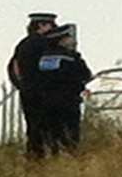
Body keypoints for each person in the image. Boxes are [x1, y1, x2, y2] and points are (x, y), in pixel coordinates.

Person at [23, 24, 93, 157]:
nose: (72, 41)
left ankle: (54, 156)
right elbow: (85, 75)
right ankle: (69, 156)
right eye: (68, 38)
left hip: (47, 101)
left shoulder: (43, 58)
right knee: (70, 132)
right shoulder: (71, 57)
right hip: (68, 100)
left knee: (52, 132)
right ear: (62, 40)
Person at [8, 12, 59, 156]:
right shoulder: (46, 44)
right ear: (41, 25)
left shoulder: (23, 45)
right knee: (48, 125)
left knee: (33, 125)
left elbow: (13, 67)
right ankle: (45, 156)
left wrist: (21, 85)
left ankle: (34, 156)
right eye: (50, 25)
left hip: (27, 90)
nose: (53, 28)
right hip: (45, 91)